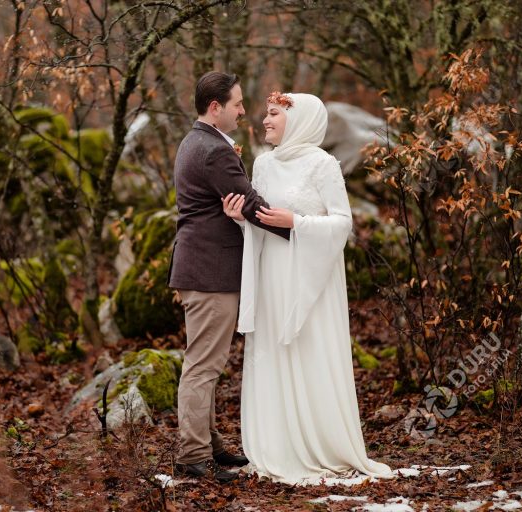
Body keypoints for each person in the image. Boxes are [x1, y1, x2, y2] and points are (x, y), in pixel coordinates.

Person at [222, 91, 394, 485]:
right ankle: (276, 444)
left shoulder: (323, 165)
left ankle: (320, 441)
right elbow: (261, 222)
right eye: (267, 114)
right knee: (274, 351)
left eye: (274, 114)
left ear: (299, 121)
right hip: (272, 276)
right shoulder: (263, 164)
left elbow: (342, 223)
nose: (265, 121)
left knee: (308, 349)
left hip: (310, 278)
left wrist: (297, 223)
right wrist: (240, 220)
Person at [167, 72, 291, 483]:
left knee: (207, 362)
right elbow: (251, 204)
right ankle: (192, 455)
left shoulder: (195, 141)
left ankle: (210, 444)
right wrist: (299, 230)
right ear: (215, 107)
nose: (243, 110)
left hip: (199, 267)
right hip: (210, 272)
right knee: (203, 365)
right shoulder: (213, 151)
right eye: (237, 103)